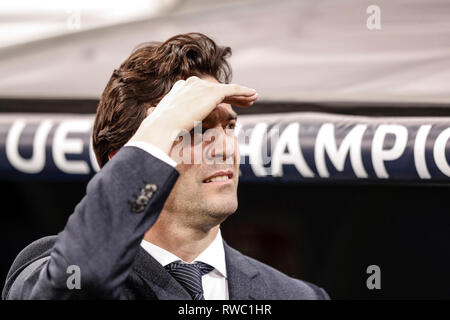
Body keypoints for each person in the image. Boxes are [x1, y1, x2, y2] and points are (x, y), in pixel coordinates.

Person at [2, 33, 329, 300]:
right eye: (193, 129)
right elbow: (89, 274)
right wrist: (166, 120)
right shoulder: (51, 273)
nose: (225, 147)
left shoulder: (295, 296)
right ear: (124, 160)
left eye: (228, 127)